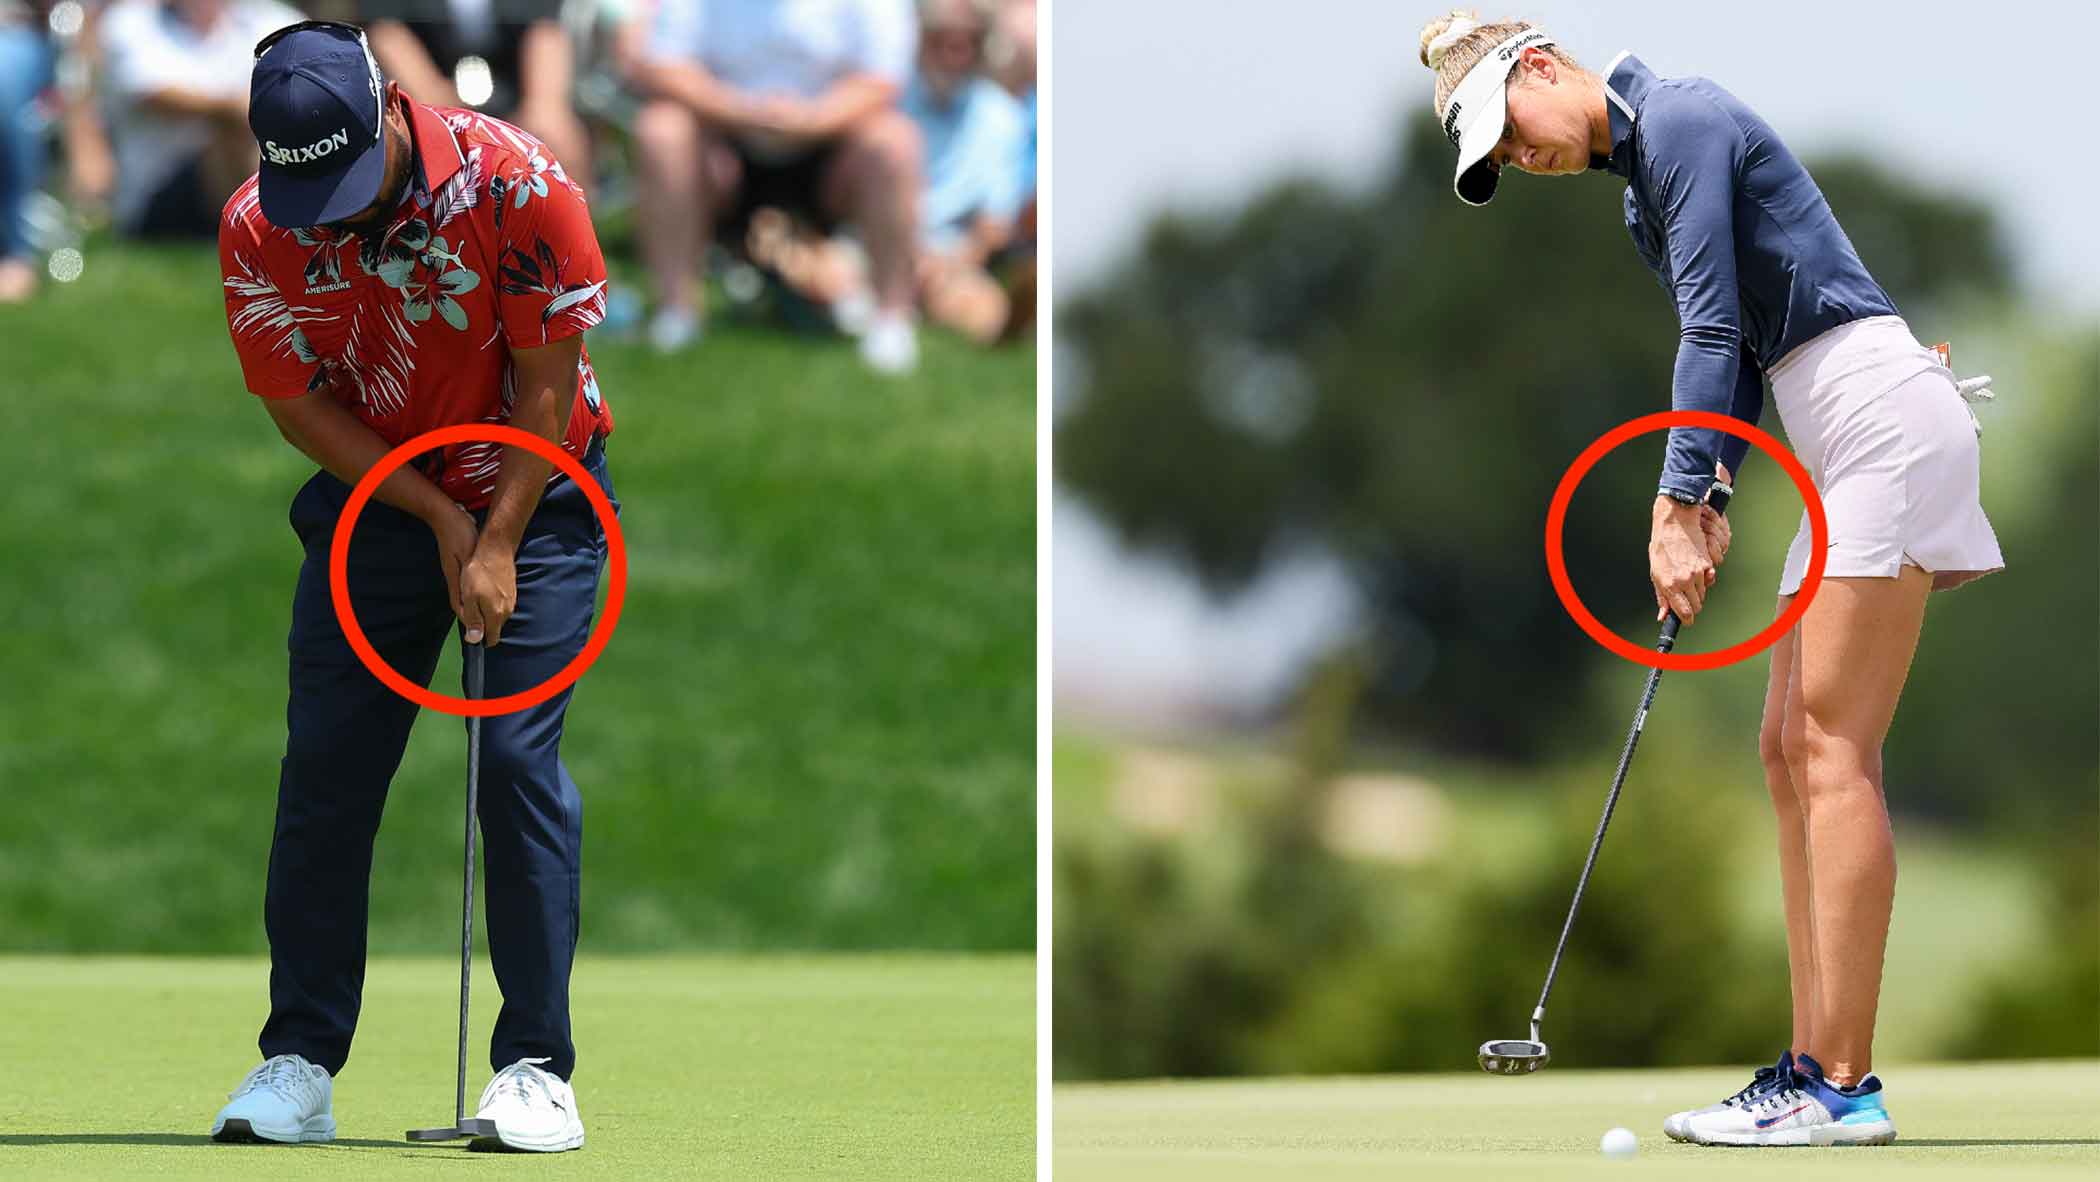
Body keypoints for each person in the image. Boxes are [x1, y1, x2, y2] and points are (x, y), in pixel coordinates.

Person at [1416, 9, 2002, 1149]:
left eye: (1507, 127)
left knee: (1832, 749)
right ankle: (1805, 1070)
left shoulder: (1680, 115)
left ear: (1537, 65)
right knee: (1788, 748)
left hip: (1875, 420)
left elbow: (1711, 322)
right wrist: (1715, 490)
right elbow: (1731, 355)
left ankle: (1842, 1086)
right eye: (1494, 158)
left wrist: (1678, 498)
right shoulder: (1647, 182)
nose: (1518, 157)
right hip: (1837, 433)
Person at [212, 19, 615, 1153]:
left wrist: (491, 536)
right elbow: (295, 402)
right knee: (328, 771)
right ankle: (297, 1062)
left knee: (516, 765)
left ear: (392, 108)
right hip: (383, 504)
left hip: (537, 500)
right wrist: (434, 516)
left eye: (348, 180)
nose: (331, 215)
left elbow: (548, 379)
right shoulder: (256, 223)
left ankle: (537, 1071)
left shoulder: (521, 183)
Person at [629, 0, 923, 372]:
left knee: (896, 141)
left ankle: (892, 319)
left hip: (832, 148)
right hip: (724, 146)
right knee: (660, 130)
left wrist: (811, 119)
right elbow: (666, 65)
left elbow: (882, 79)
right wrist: (740, 110)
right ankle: (676, 312)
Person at [99, 0, 304, 237]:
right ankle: (272, 232)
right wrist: (239, 107)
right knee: (232, 128)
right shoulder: (132, 21)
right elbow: (153, 93)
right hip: (156, 194)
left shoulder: (268, 19)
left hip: (244, 160)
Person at [363, 0, 593, 194]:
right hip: (428, 94)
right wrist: (433, 100)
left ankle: (560, 244)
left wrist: (545, 106)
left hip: (514, 92)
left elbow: (544, 28)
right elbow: (387, 30)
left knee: (558, 138)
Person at [898, 0, 1022, 344]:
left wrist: (948, 265)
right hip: (884, 247)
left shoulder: (1002, 118)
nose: (954, 55)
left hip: (955, 261)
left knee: (987, 314)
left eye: (966, 43)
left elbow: (994, 225)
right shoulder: (889, 100)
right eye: (942, 41)